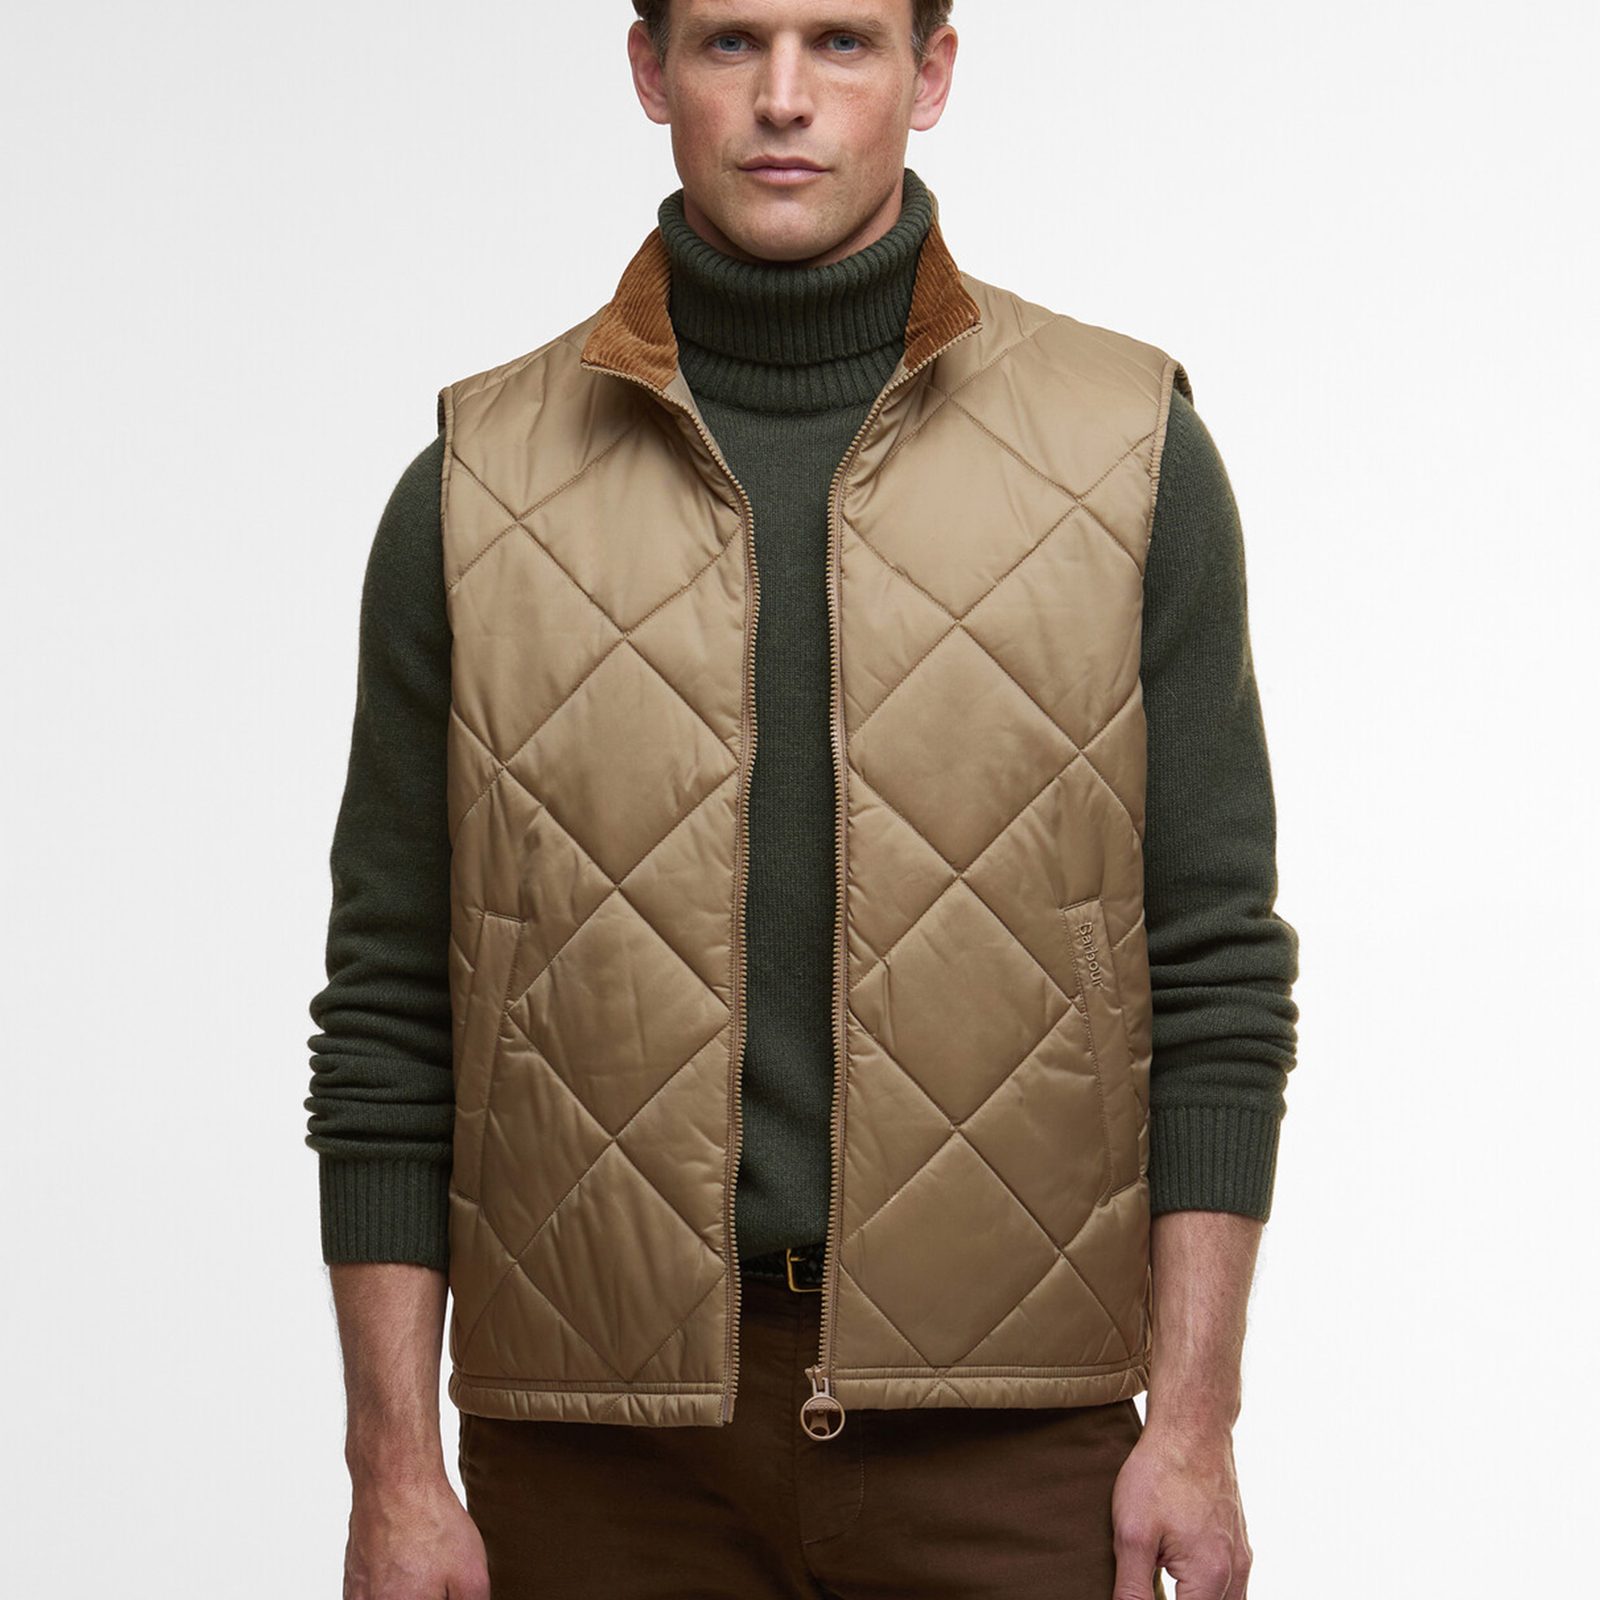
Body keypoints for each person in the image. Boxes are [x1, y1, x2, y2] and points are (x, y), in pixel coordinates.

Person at [304, 2, 1300, 1595]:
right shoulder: (477, 487)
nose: (783, 97)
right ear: (650, 70)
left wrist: (1195, 1422)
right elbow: (391, 1010)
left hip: (1012, 1439)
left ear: (932, 71)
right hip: (596, 1466)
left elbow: (1215, 973)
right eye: (729, 42)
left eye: (841, 40)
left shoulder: (1129, 456)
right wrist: (393, 1469)